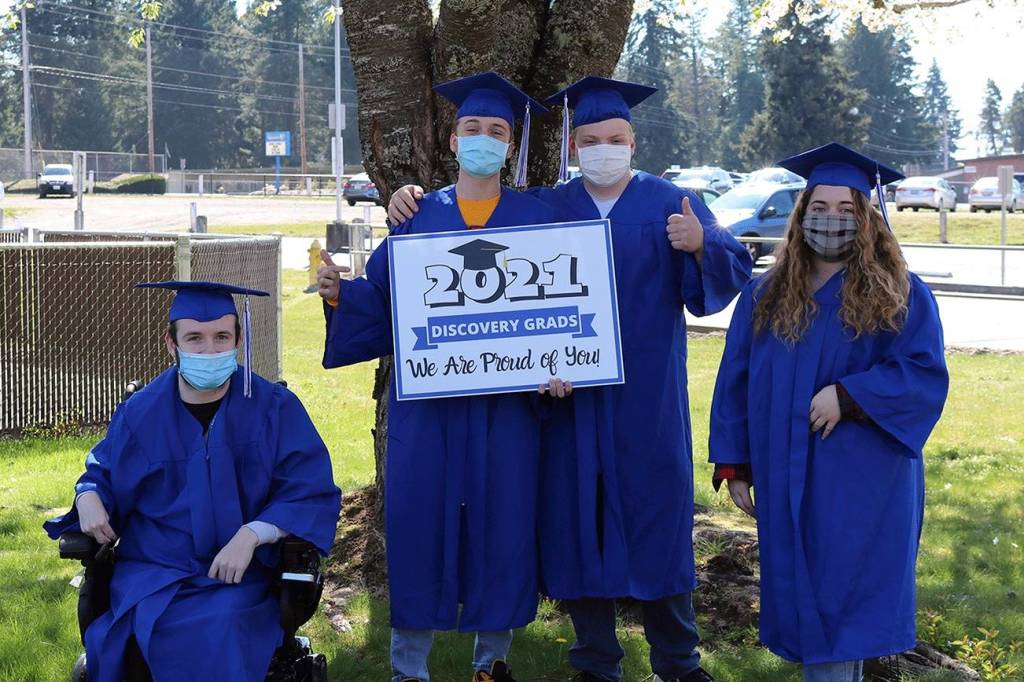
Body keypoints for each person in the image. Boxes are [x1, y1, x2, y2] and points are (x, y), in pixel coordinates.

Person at [389, 75, 751, 682]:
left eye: (615, 139)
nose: (603, 148)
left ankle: (678, 662)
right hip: (569, 402)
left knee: (657, 524)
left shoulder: (672, 201)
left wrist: (700, 243)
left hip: (646, 399)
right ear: (574, 146)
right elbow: (480, 244)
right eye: (590, 140)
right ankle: (596, 662)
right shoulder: (551, 206)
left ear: (633, 142)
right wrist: (411, 200)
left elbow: (731, 265)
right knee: (577, 523)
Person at [319, 71, 556, 682]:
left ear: (510, 145)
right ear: (453, 141)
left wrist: (565, 366)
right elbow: (382, 301)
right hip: (428, 408)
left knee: (503, 526)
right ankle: (409, 670)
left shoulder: (537, 219)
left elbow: (562, 312)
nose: (484, 138)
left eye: (497, 130)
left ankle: (491, 665)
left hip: (506, 408)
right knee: (419, 524)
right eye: (472, 128)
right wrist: (340, 295)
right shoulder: (419, 216)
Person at [709, 142, 949, 682]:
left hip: (861, 481)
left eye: (846, 209)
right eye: (819, 207)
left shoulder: (901, 295)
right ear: (801, 215)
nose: (831, 219)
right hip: (784, 469)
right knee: (809, 597)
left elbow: (924, 374)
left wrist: (851, 396)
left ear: (867, 220)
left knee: (844, 598)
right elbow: (735, 382)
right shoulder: (765, 295)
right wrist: (734, 462)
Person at [44, 281, 342, 681]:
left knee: (223, 625)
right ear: (172, 344)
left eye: (221, 337)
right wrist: (88, 494)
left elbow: (309, 489)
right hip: (154, 572)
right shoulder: (141, 412)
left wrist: (253, 534)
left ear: (238, 340)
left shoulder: (274, 409)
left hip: (238, 577)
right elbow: (103, 472)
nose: (209, 350)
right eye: (194, 338)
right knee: (133, 634)